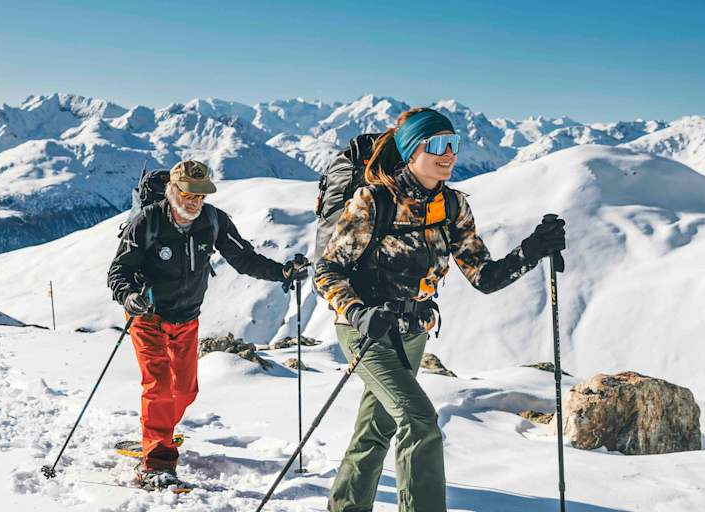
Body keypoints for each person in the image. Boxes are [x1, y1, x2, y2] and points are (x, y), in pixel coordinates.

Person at [313, 108, 567, 511]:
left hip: (412, 330)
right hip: (366, 331)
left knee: (375, 430)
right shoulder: (374, 200)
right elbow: (326, 270)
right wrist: (359, 312)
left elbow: (484, 276)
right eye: (437, 145)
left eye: (453, 144)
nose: (449, 153)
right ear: (412, 150)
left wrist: (532, 250)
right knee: (420, 422)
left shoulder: (452, 207)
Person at [107, 160, 309, 489]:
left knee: (185, 391)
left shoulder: (213, 221)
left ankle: (156, 435)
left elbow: (245, 258)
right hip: (149, 317)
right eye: (188, 193)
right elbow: (119, 271)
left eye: (200, 195)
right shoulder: (148, 221)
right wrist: (129, 297)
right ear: (173, 190)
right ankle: (156, 462)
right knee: (158, 387)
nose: (194, 201)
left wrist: (281, 273)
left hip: (187, 318)